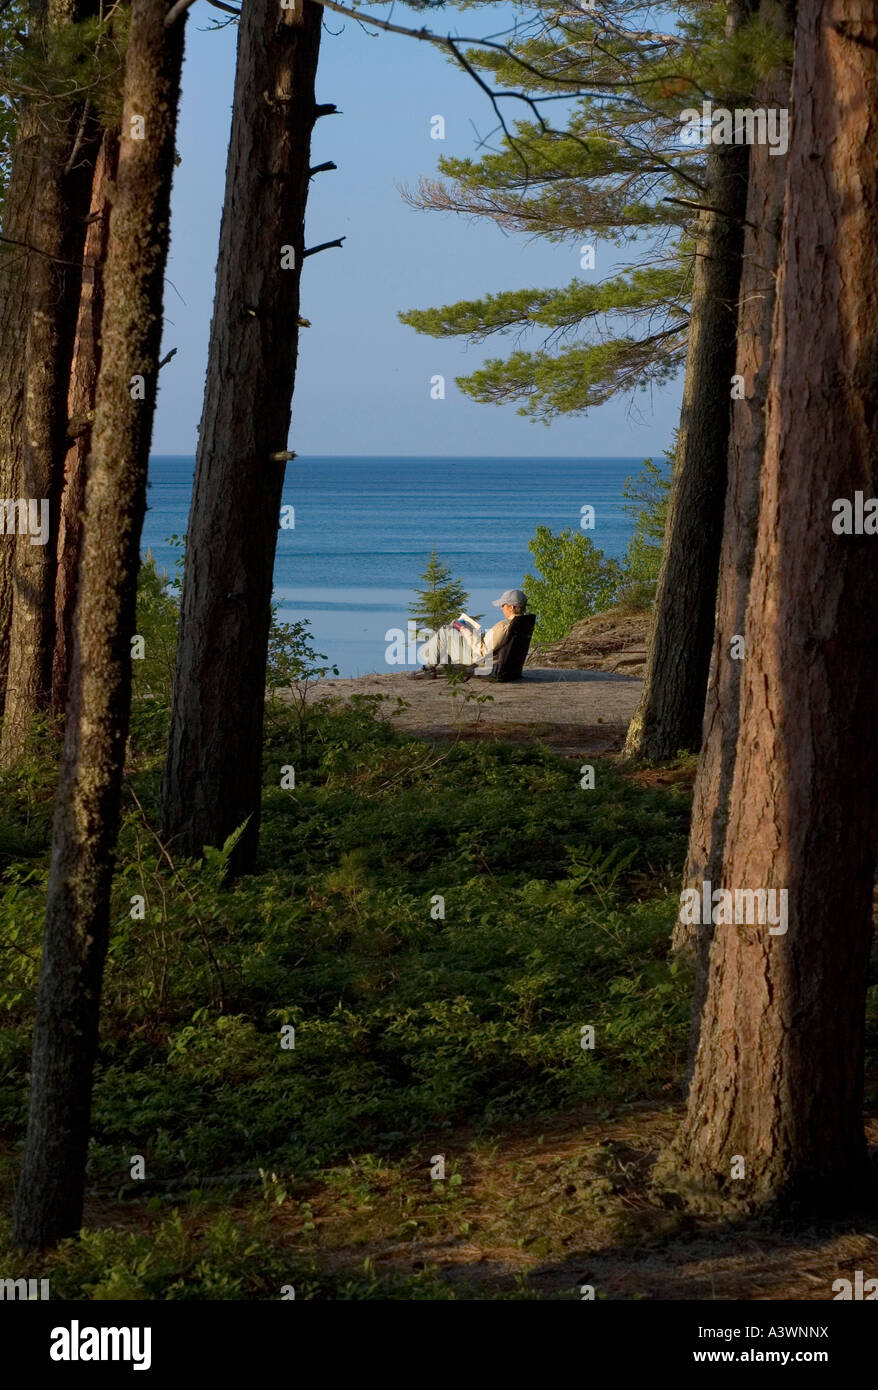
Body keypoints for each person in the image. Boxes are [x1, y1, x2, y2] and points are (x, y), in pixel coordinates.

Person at [411, 588, 528, 677]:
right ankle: (433, 660)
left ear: (511, 607)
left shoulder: (503, 626)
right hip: (495, 660)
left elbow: (482, 651)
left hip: (479, 659)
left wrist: (465, 631)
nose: (501, 608)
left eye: (503, 605)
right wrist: (472, 633)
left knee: (446, 630)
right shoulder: (522, 623)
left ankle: (428, 667)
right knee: (453, 628)